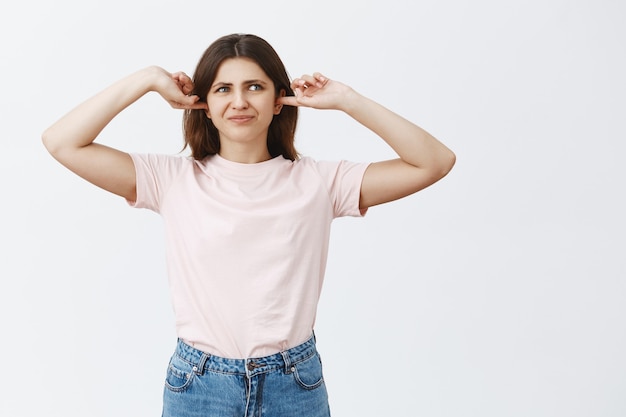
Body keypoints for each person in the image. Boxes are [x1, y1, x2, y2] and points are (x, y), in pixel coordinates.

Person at [42, 33, 455, 417]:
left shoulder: (321, 182)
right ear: (203, 102)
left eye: (254, 87)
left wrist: (348, 100)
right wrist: (148, 78)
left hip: (294, 384)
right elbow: (63, 141)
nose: (239, 101)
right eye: (224, 89)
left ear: (279, 100)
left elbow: (434, 162)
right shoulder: (171, 180)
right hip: (199, 384)